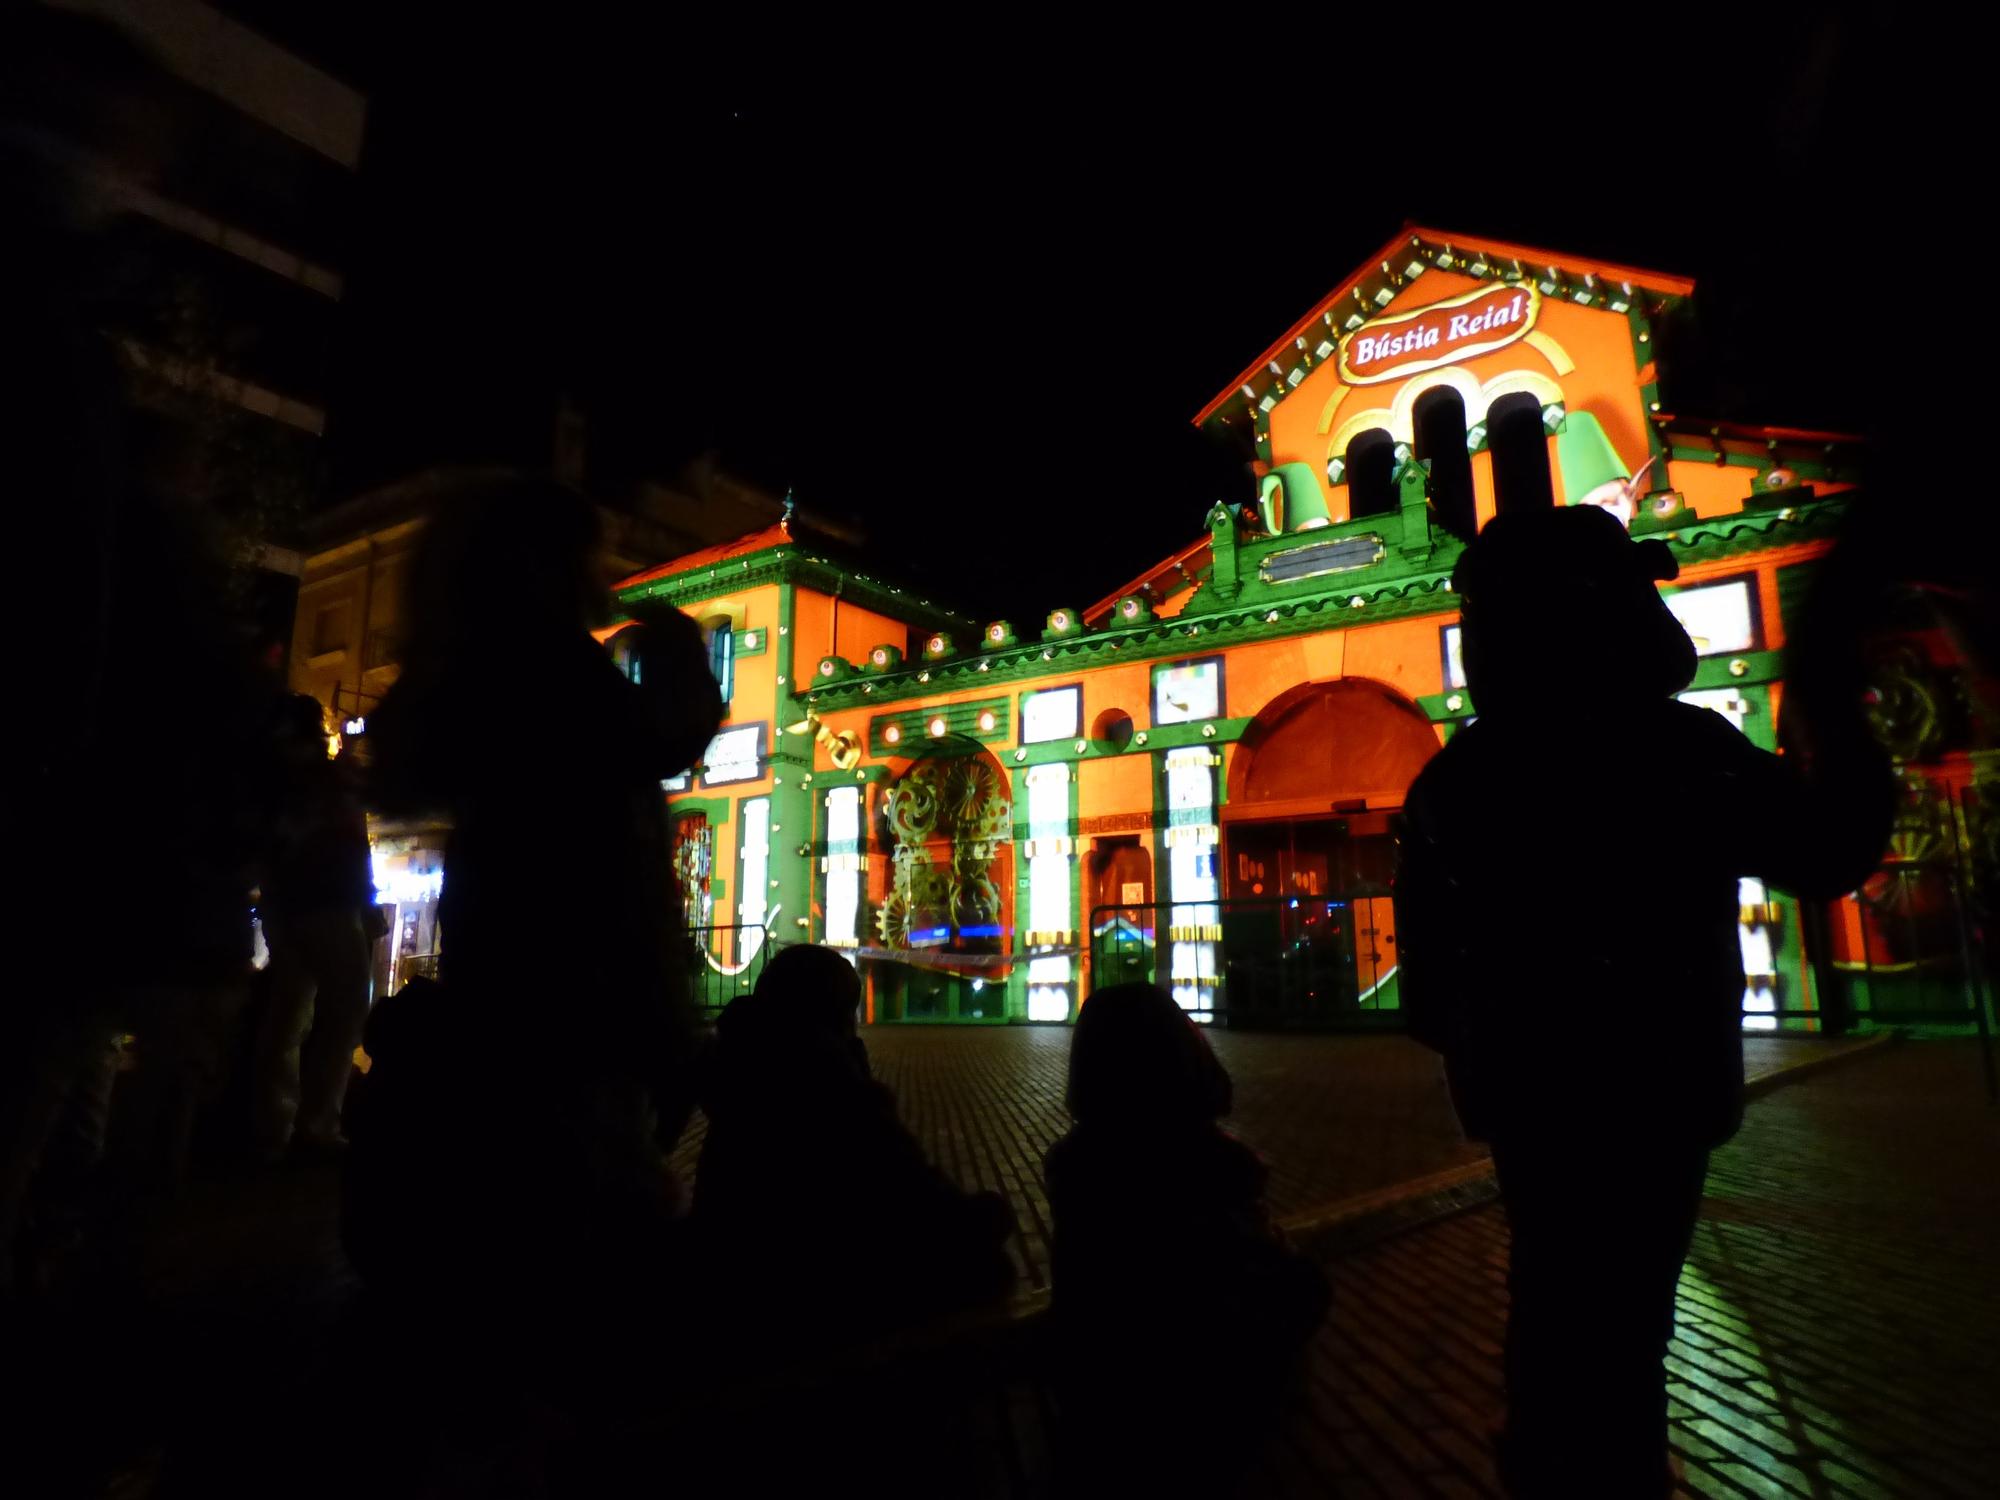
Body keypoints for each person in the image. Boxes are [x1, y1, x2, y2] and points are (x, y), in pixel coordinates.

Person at [1395, 503, 1893, 1497]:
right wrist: (1831, 700)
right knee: (1619, 1340)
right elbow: (1829, 847)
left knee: (1553, 1320)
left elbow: (1422, 992)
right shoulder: (1674, 751)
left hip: (1530, 1109)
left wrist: (1499, 1035)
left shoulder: (1456, 780)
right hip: (1656, 1100)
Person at [351, 471, 720, 1380]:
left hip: (510, 924)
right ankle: (570, 1371)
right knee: (584, 1148)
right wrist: (682, 656)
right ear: (546, 561)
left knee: (541, 1131)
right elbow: (654, 742)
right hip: (584, 932)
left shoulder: (465, 660)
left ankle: (517, 1342)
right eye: (587, 550)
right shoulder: (548, 659)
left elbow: (400, 767)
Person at [1043, 983, 1328, 1493]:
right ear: (1184, 1053)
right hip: (1202, 1395)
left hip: (1097, 1392)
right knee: (1305, 1281)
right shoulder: (1215, 1165)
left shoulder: (1073, 1164)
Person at [693, 943, 1016, 1352]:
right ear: (837, 1016)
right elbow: (915, 1192)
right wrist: (991, 1215)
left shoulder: (736, 1069)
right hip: (816, 1302)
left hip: (734, 1286)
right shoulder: (828, 1086)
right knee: (991, 1270)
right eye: (849, 1011)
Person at [251, 694, 382, 1164]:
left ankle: (273, 1123)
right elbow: (352, 845)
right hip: (329, 905)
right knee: (344, 1011)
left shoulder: (272, 784)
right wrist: (365, 901)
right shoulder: (325, 781)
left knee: (288, 1016)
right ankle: (316, 1124)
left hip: (290, 908)